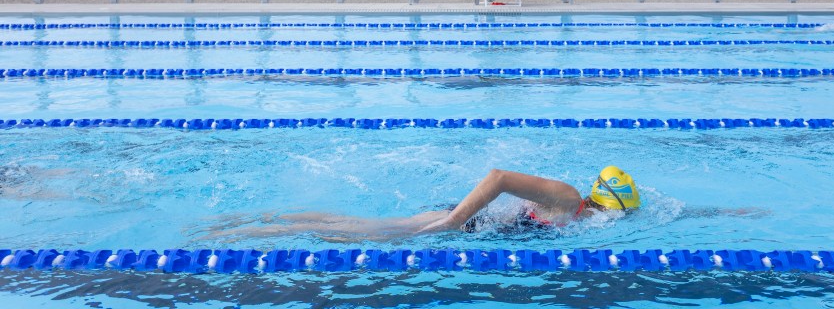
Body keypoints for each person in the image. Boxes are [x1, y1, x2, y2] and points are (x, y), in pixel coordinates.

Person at [204, 166, 640, 242]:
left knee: (357, 225)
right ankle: (248, 230)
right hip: (460, 221)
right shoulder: (568, 198)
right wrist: (453, 221)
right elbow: (498, 178)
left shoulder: (579, 213)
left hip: (468, 222)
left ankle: (254, 221)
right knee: (355, 234)